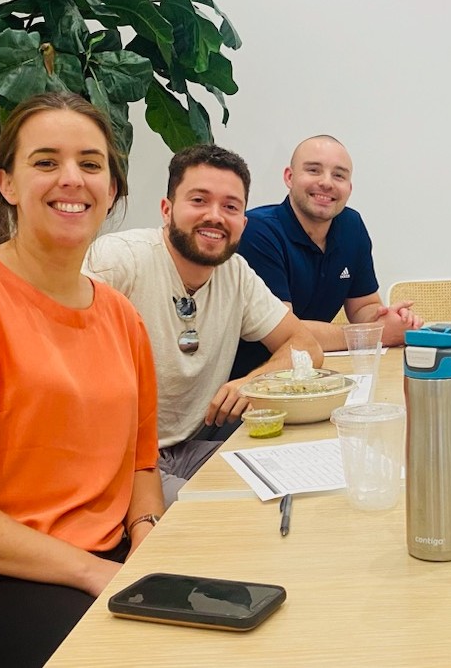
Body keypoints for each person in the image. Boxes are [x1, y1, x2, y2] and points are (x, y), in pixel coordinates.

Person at [0, 92, 163, 666]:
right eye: (46, 162)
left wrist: (149, 534)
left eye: (91, 163)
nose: (71, 179)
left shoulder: (122, 317)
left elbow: (141, 464)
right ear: (6, 183)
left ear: (112, 188)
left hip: (106, 557)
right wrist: (90, 572)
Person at [85, 144, 324, 505]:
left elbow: (305, 346)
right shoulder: (119, 261)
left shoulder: (236, 274)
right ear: (166, 210)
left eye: (230, 207)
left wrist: (253, 383)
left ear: (243, 223)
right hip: (120, 463)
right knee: (227, 520)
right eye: (199, 200)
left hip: (189, 448)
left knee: (304, 487)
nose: (215, 216)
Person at [232, 135, 421, 376]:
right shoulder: (258, 231)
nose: (326, 183)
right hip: (255, 381)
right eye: (313, 170)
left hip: (317, 373)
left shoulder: (352, 225)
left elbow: (364, 305)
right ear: (289, 177)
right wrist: (373, 334)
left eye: (339, 175)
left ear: (349, 188)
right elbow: (285, 332)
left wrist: (390, 320)